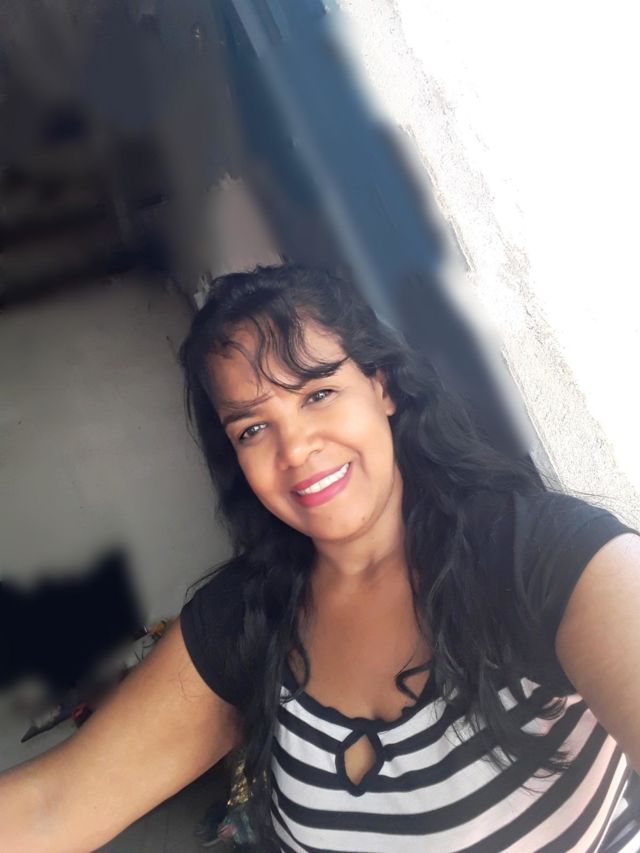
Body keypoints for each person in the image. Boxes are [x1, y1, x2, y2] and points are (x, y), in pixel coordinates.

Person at [1, 263, 639, 852]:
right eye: (253, 428)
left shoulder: (539, 558)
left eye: (318, 393)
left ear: (381, 386)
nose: (296, 449)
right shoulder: (246, 619)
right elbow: (54, 807)